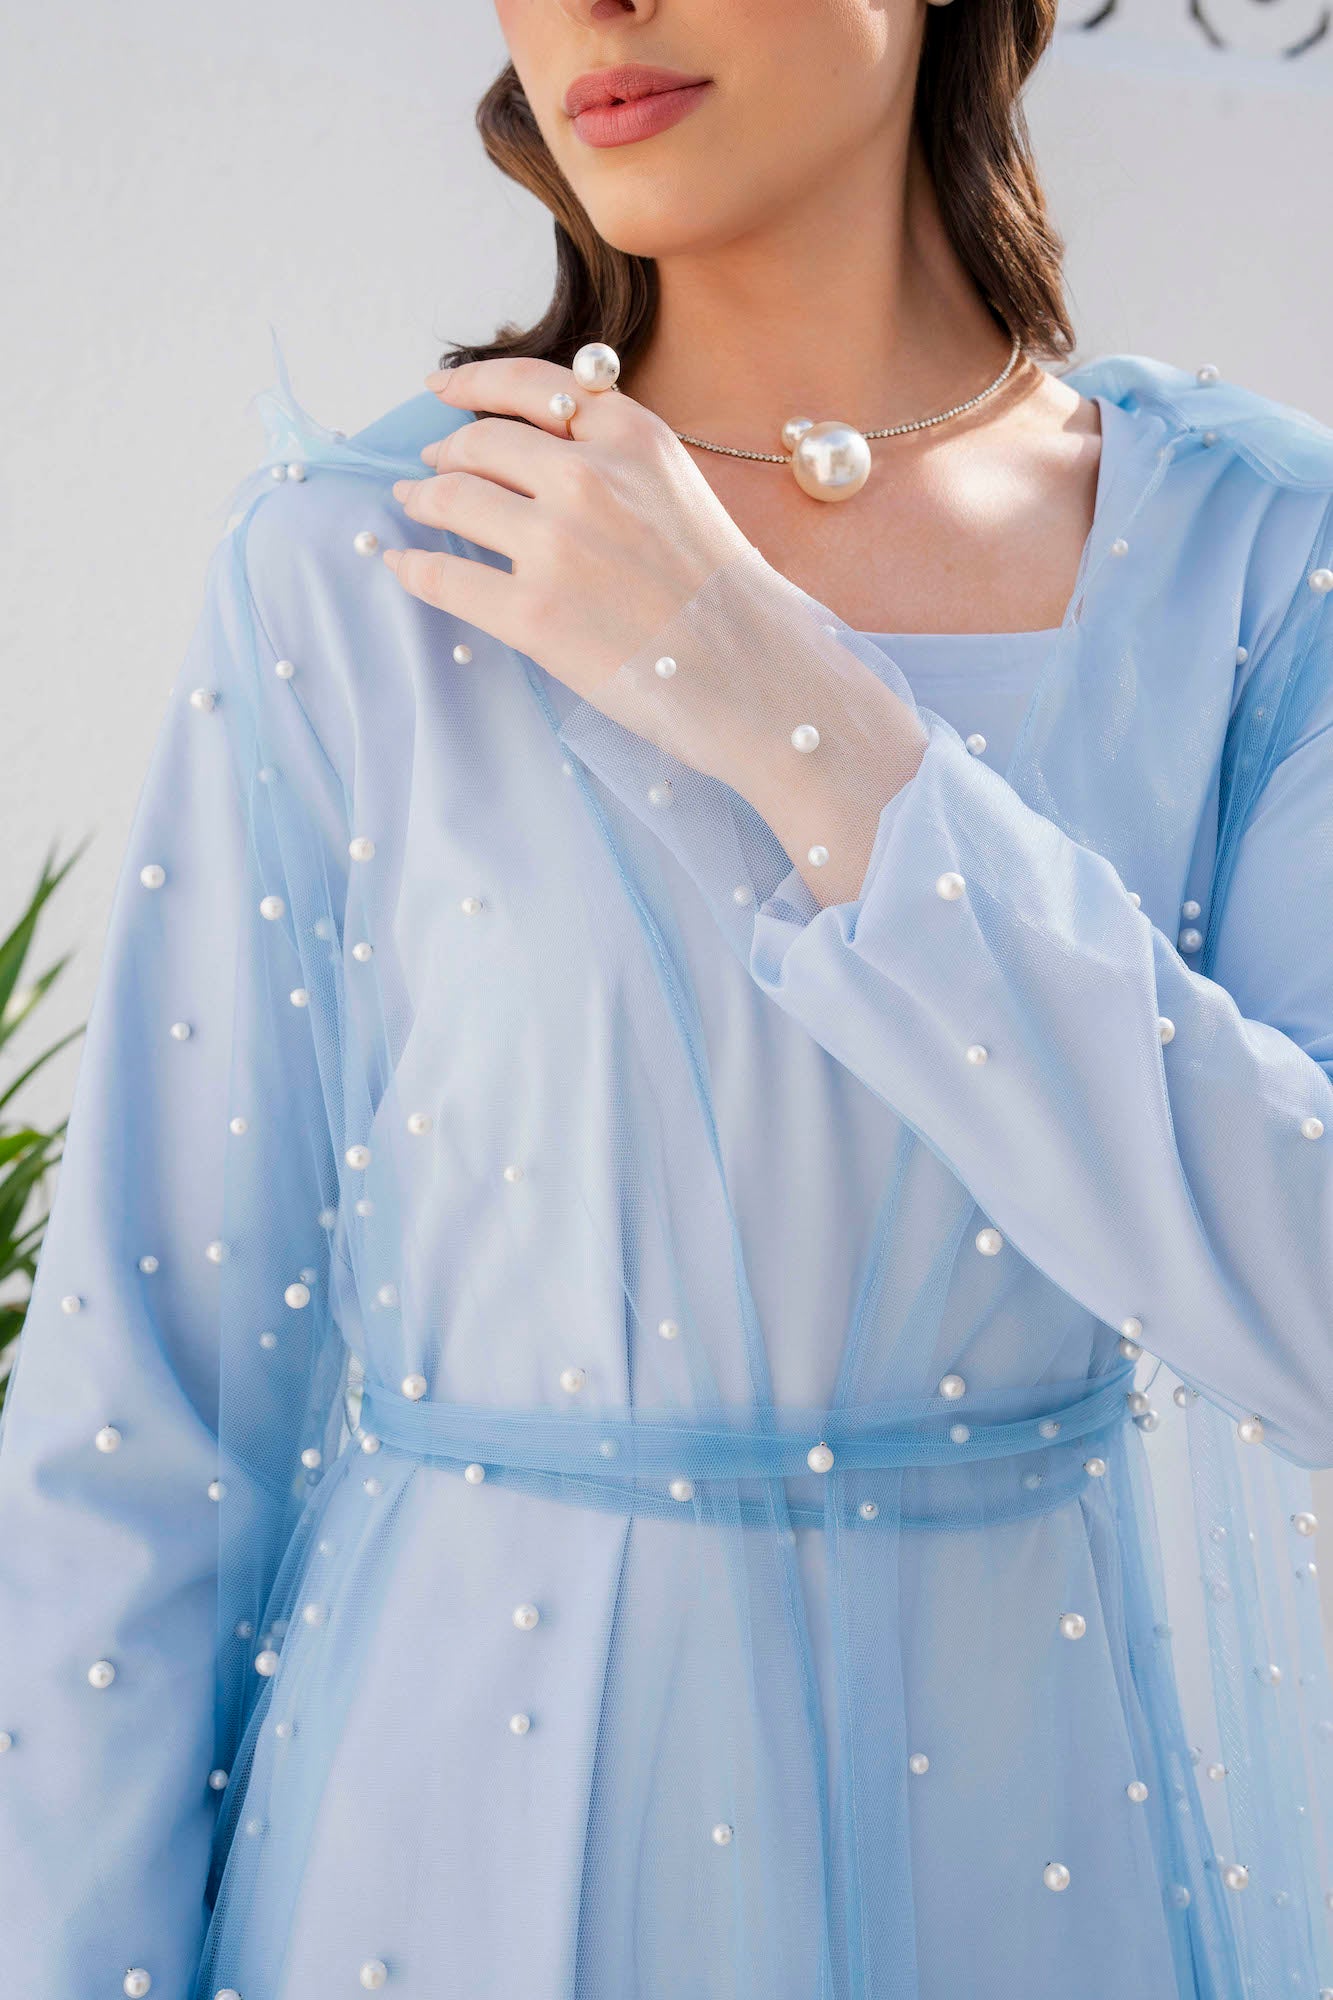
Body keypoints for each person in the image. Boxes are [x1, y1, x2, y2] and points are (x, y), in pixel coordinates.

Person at [3, 2, 1333, 1996]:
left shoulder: (1261, 559)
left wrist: (806, 727)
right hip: (441, 1889)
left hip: (1028, 1870)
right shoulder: (363, 565)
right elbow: (143, 1439)